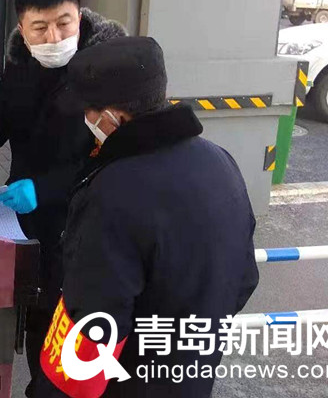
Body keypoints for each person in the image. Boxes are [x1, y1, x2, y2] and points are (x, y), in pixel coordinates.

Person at [35, 36, 259, 398]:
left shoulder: (111, 193)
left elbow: (94, 326)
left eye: (89, 111)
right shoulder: (220, 161)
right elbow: (245, 277)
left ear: (116, 117)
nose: (86, 120)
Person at [0, 0, 126, 395]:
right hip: (25, 220)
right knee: (35, 314)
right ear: (23, 30)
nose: (54, 37)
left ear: (79, 17)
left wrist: (46, 189)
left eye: (63, 23)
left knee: (68, 323)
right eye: (40, 27)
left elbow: (113, 155)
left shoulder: (107, 73)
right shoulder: (21, 67)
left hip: (82, 222)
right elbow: (0, 120)